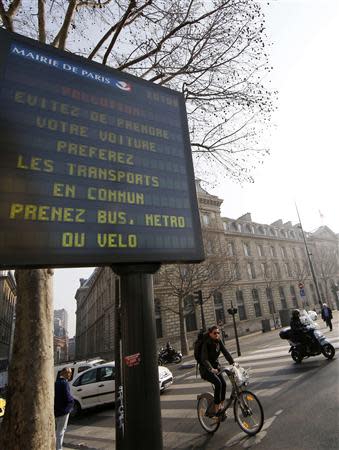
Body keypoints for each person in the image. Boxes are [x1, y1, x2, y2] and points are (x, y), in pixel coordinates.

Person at [199, 325, 234, 415]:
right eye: (215, 333)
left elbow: (225, 352)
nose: (217, 334)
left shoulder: (218, 341)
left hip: (216, 367)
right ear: (210, 334)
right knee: (218, 384)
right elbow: (204, 359)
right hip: (205, 369)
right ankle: (216, 409)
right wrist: (211, 368)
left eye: (218, 333)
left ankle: (221, 407)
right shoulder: (206, 343)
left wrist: (233, 363)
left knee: (224, 384)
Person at [54, 367, 74, 450]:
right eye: (69, 373)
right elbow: (67, 397)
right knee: (61, 431)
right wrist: (72, 402)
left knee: (58, 431)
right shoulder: (64, 383)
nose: (70, 374)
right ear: (64, 373)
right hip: (64, 410)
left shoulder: (56, 382)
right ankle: (58, 448)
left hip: (56, 410)